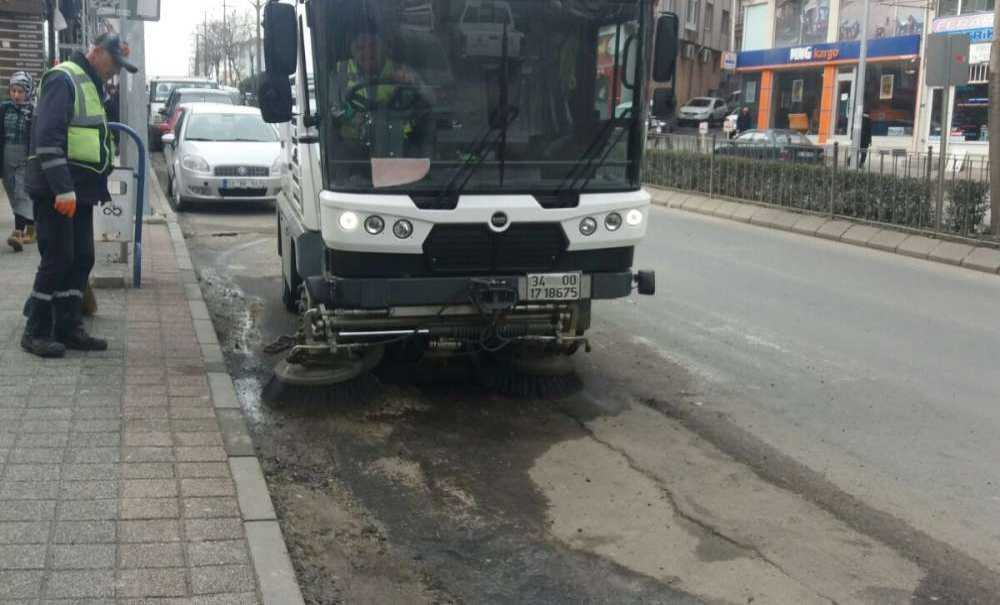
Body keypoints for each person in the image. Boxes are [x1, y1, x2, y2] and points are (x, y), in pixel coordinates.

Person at [20, 33, 137, 358]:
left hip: (81, 190)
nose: (114, 71)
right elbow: (47, 138)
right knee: (57, 258)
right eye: (113, 63)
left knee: (82, 257)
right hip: (60, 190)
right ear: (96, 52)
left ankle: (68, 326)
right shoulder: (64, 78)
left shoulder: (89, 82)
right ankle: (36, 332)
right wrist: (63, 188)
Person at [330, 31, 422, 172]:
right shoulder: (340, 72)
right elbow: (332, 108)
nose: (367, 53)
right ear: (352, 51)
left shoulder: (402, 71)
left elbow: (428, 102)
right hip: (354, 148)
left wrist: (412, 84)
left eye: (372, 47)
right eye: (360, 48)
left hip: (399, 145)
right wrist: (353, 117)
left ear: (384, 48)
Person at [1, 72, 37, 252]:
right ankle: (32, 225)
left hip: (25, 159)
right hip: (6, 158)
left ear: (28, 91)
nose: (16, 95)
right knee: (13, 194)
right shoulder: (4, 109)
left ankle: (18, 233)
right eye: (13, 90)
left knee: (21, 192)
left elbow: (35, 137)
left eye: (20, 91)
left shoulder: (32, 111)